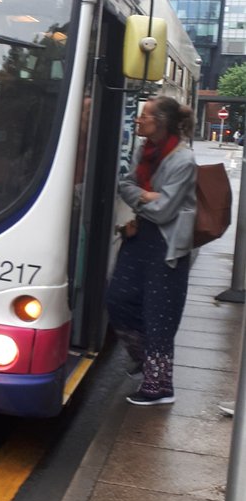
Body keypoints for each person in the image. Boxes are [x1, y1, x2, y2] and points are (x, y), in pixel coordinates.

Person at [106, 96, 197, 406]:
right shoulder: (146, 151)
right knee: (117, 299)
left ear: (160, 122)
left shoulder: (183, 160)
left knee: (159, 314)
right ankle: (146, 364)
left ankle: (159, 387)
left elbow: (164, 210)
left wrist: (143, 198)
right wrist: (147, 195)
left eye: (145, 115)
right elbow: (125, 185)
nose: (139, 119)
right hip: (140, 236)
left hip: (167, 245)